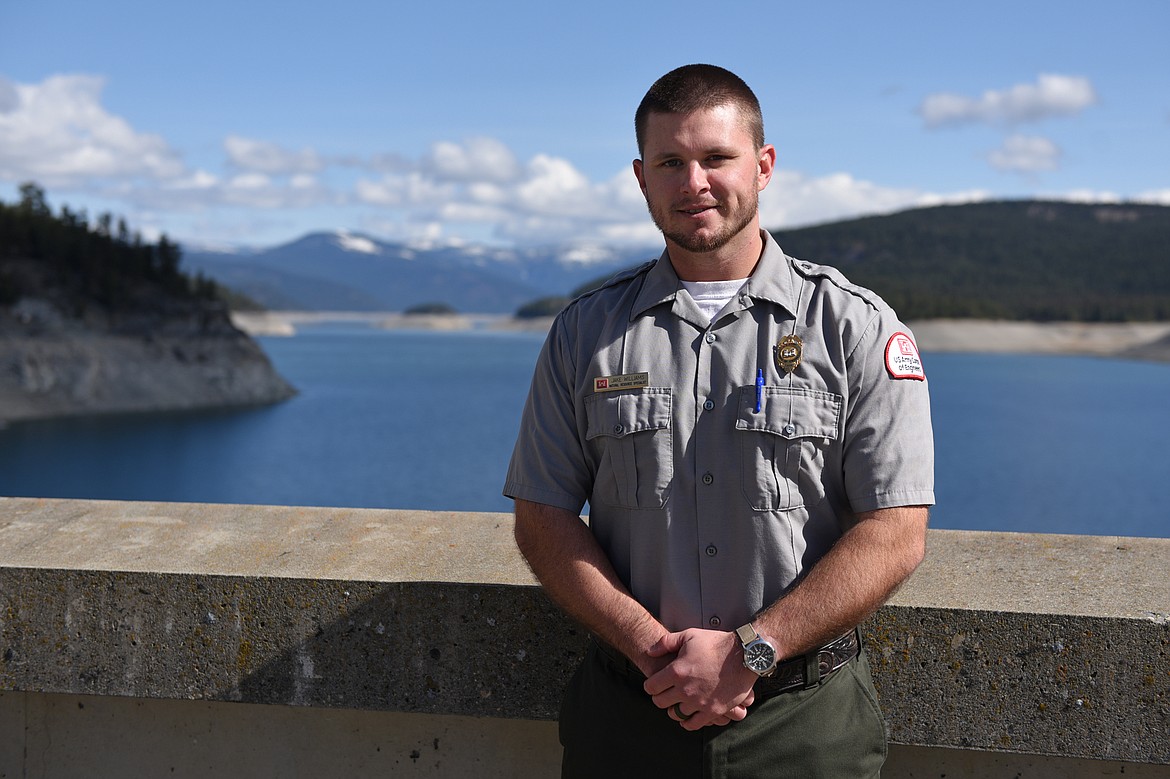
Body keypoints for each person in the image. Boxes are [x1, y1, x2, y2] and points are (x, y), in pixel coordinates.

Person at [503, 64, 934, 778]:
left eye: (716, 158)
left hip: (804, 724)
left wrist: (752, 650)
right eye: (671, 162)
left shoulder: (855, 327)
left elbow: (896, 532)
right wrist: (650, 647)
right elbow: (542, 514)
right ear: (642, 177)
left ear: (763, 166)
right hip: (628, 716)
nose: (694, 181)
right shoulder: (586, 332)